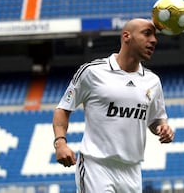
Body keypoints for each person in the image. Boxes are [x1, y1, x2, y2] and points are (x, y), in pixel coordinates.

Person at [52, 18, 174, 193]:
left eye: (155, 36)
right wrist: (60, 143)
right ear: (126, 36)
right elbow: (63, 109)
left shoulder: (152, 81)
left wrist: (163, 128)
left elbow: (156, 119)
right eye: (147, 34)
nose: (154, 40)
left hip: (132, 170)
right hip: (96, 166)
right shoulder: (92, 72)